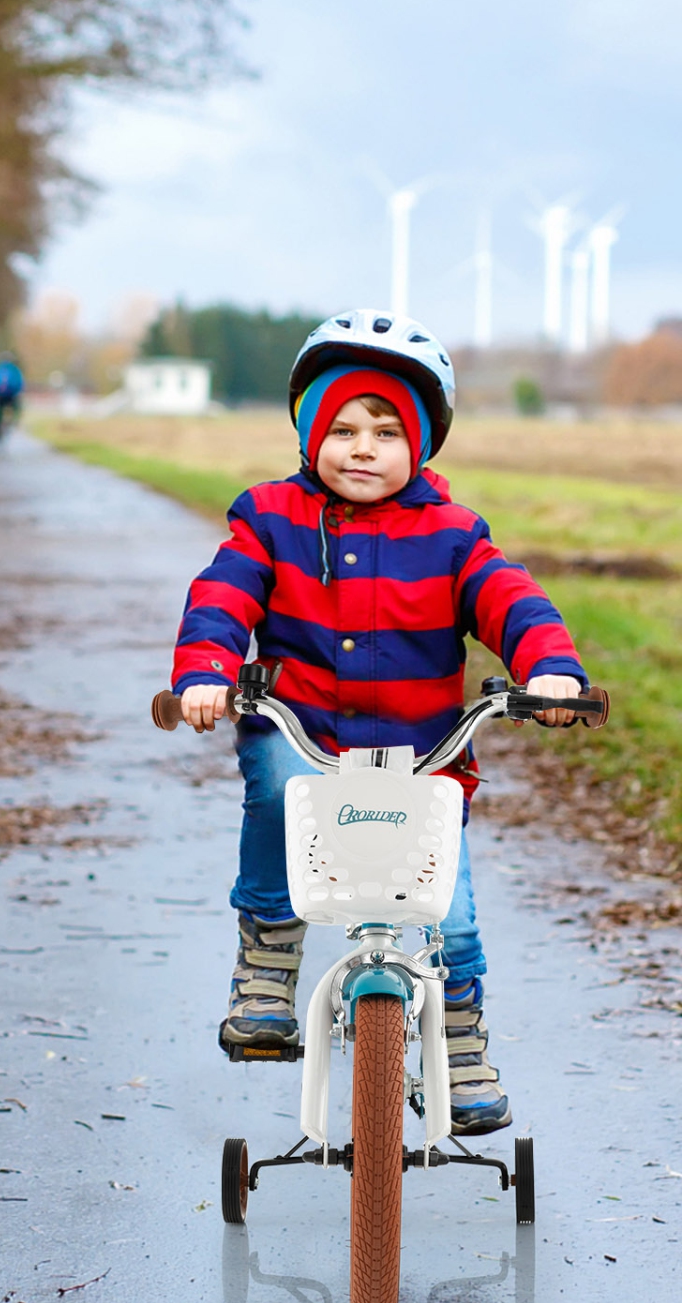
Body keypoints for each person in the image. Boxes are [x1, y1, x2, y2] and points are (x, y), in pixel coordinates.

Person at [169, 309, 586, 1135]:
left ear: (422, 444)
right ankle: (269, 952)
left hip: (424, 755)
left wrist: (549, 666)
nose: (364, 447)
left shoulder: (455, 534)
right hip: (306, 733)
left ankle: (459, 1037)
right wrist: (207, 672)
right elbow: (223, 594)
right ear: (310, 433)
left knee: (450, 914)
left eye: (388, 432)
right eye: (345, 428)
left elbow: (510, 597)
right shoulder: (271, 517)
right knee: (276, 797)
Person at [0, 353, 23, 447]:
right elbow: (20, 383)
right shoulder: (14, 369)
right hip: (11, 396)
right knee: (16, 408)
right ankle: (12, 422)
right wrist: (17, 393)